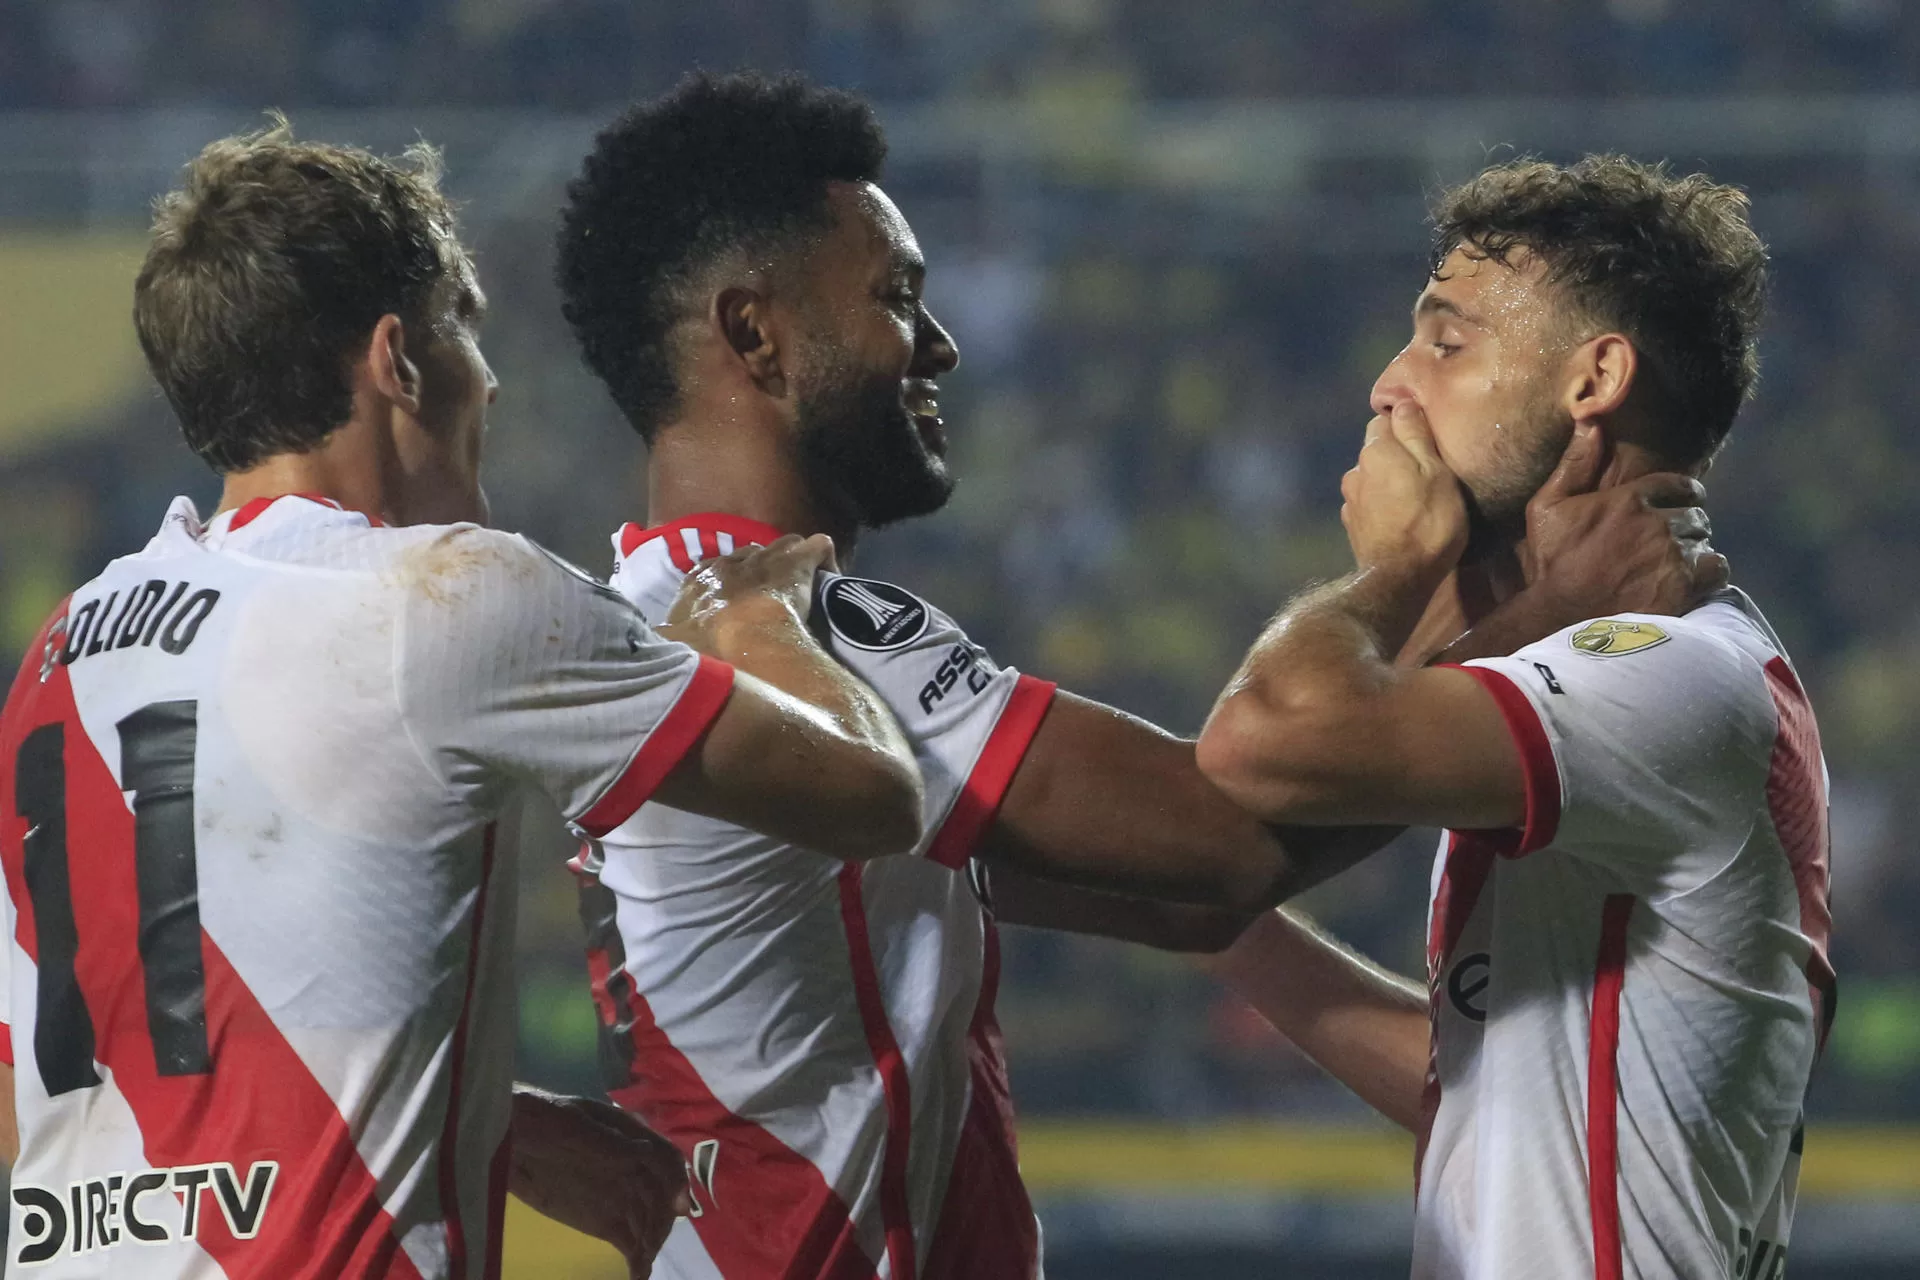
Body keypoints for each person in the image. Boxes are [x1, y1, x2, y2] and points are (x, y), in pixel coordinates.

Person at [553, 75, 1724, 1279]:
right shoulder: (795, 627)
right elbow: (1221, 836)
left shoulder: (653, 613)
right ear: (755, 333)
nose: (940, 342)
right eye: (897, 298)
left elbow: (1191, 901)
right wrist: (1543, 613)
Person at [0, 121, 926, 1279]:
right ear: (397, 358)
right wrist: (755, 612)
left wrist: (501, 1116)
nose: (488, 378)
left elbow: (56, 1068)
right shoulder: (445, 596)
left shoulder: (63, 652)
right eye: (468, 329)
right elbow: (875, 792)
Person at [1195, 157, 1830, 1280]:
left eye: (1446, 340)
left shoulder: (1671, 674)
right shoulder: (1605, 669)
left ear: (1594, 378)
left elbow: (1267, 739)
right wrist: (1216, 916)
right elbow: (1490, 1090)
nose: (1391, 383)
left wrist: (1406, 561)